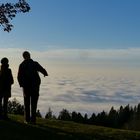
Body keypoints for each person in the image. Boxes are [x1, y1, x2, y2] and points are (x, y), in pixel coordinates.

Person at [17, 51, 48, 124]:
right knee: (34, 104)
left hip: (26, 88)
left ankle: (27, 120)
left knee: (26, 104)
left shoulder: (21, 65)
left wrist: (22, 85)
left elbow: (19, 77)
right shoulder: (34, 63)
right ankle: (33, 120)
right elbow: (42, 70)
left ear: (23, 57)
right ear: (29, 55)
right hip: (35, 87)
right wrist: (45, 73)